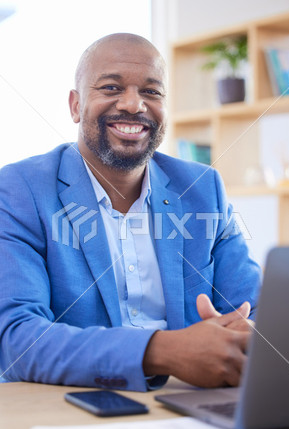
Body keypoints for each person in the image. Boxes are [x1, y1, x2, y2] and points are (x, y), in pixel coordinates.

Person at [0, 33, 260, 391]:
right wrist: (163, 351)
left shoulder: (204, 189)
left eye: (152, 92)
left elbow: (258, 311)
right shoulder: (19, 189)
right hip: (78, 406)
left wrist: (247, 336)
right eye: (110, 88)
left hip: (196, 401)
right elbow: (16, 339)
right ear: (75, 105)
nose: (134, 105)